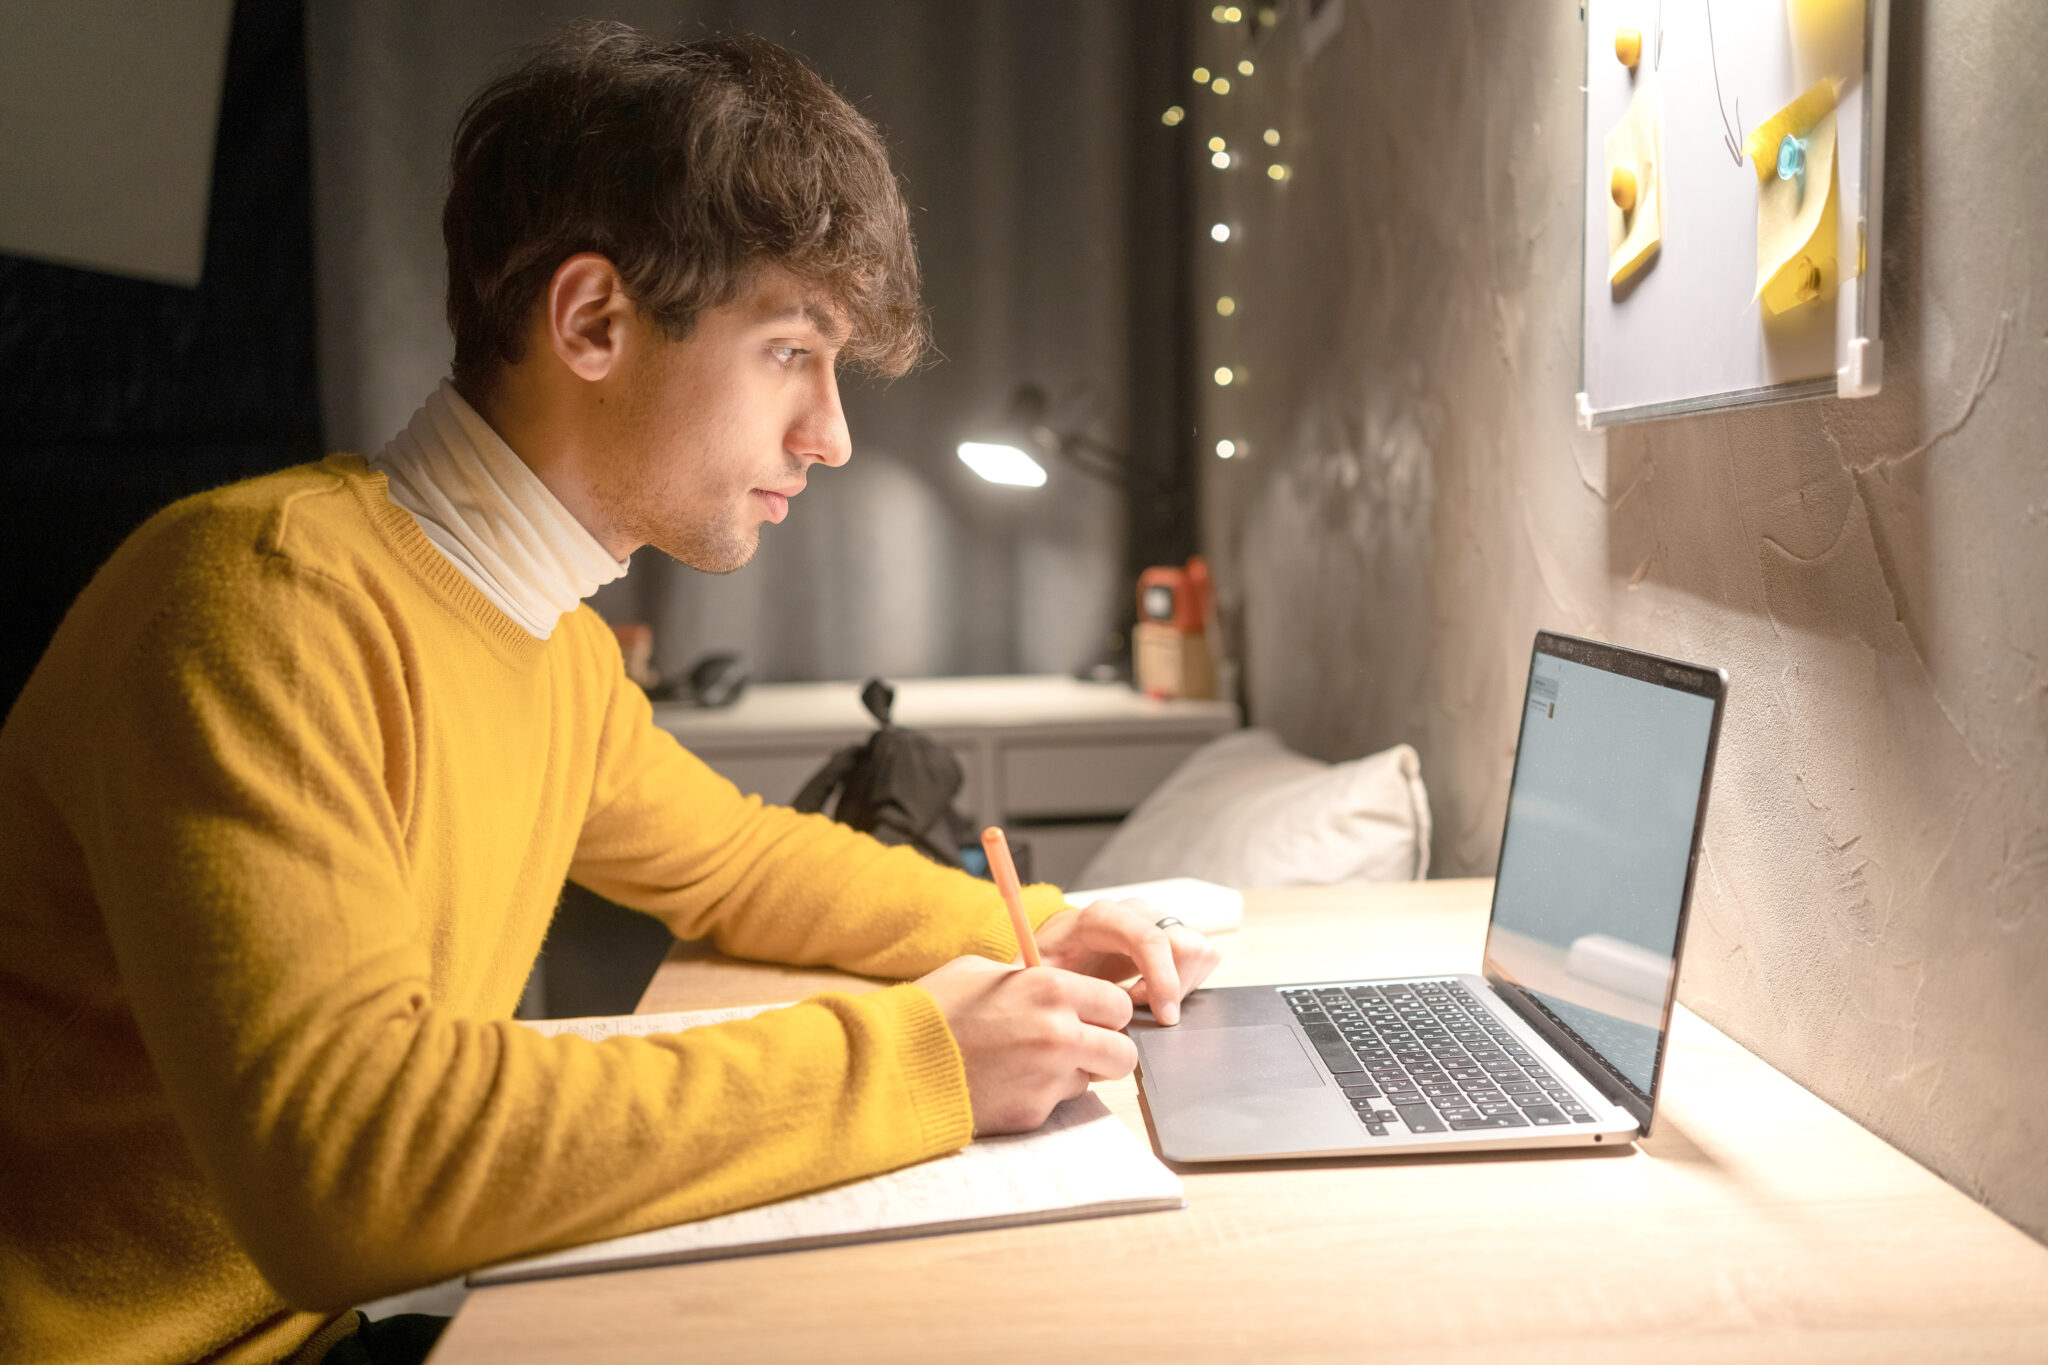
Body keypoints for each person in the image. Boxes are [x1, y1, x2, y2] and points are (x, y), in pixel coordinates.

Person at [0, 24, 1218, 1365]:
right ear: (591, 321)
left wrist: (1051, 927)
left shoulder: (554, 645)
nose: (831, 433)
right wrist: (924, 1057)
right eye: (789, 351)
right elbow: (356, 1170)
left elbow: (738, 864)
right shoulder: (258, 603)